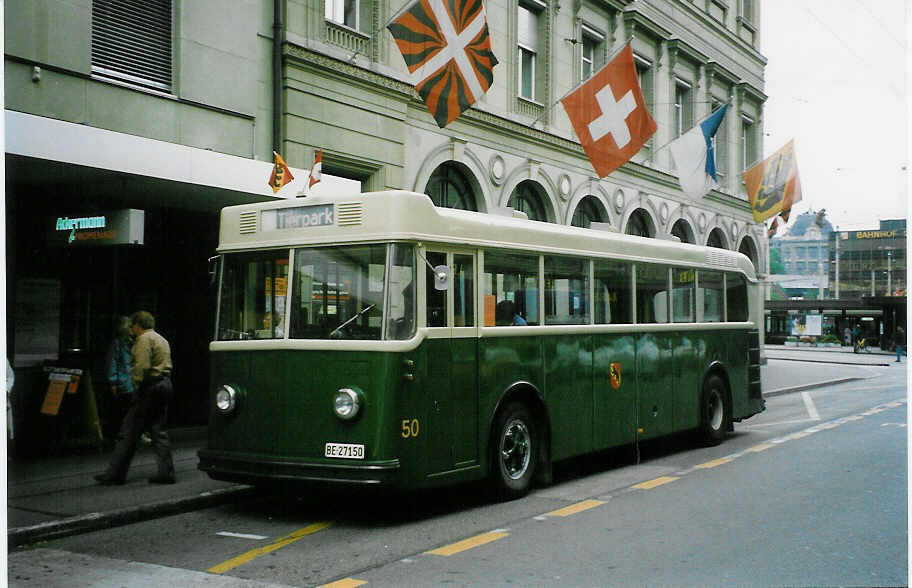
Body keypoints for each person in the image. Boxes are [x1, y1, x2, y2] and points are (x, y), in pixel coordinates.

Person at [95, 311, 175, 485]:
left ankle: (115, 474)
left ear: (138, 325)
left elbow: (141, 367)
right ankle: (166, 472)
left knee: (128, 432)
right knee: (158, 431)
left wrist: (136, 387)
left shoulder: (144, 340)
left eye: (132, 326)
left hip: (150, 388)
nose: (131, 329)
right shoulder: (161, 339)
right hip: (164, 384)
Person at [104, 316, 134, 441]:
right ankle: (119, 434)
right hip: (124, 382)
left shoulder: (132, 342)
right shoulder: (118, 343)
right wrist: (113, 382)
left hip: (130, 381)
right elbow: (112, 363)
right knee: (122, 410)